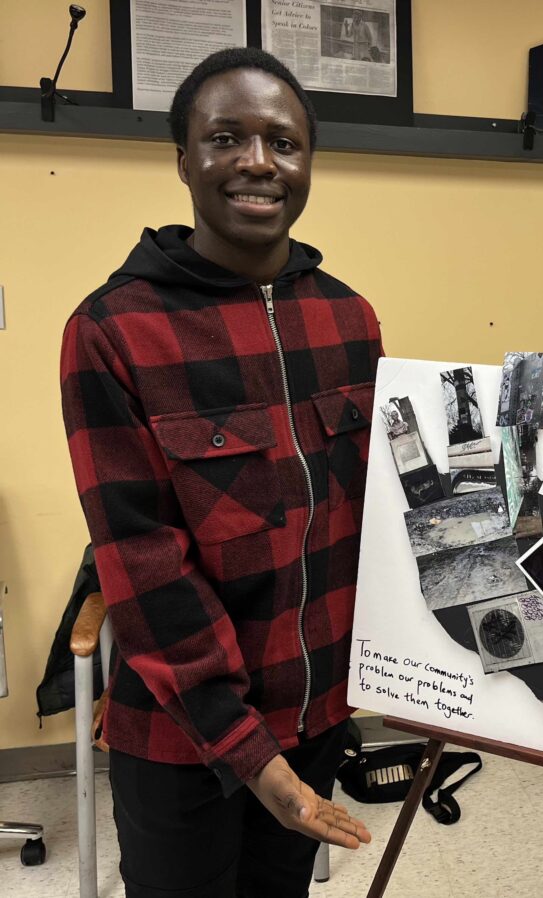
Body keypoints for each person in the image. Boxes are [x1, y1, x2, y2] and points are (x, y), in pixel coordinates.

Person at [59, 48, 379, 897]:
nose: (258, 162)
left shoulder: (349, 318)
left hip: (315, 716)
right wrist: (252, 759)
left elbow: (376, 517)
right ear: (183, 160)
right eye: (226, 138)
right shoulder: (113, 331)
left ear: (309, 161)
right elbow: (142, 563)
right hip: (184, 737)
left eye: (284, 141)